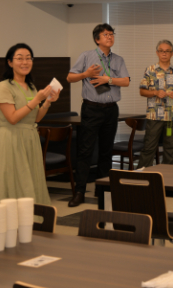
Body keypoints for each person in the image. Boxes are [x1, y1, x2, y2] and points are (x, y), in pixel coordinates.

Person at [67, 23, 130, 207]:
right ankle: (79, 192)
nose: (110, 37)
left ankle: (102, 190)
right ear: (97, 39)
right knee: (85, 151)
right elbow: (70, 77)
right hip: (91, 108)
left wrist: (108, 79)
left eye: (111, 34)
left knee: (106, 151)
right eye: (106, 35)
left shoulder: (118, 59)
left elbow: (126, 81)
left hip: (111, 109)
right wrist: (86, 73)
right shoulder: (86, 56)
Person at [0, 43, 59, 204]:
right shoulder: (4, 86)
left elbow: (36, 118)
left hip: (30, 138)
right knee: (16, 181)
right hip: (11, 138)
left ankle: (36, 214)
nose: (25, 62)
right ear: (10, 62)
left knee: (33, 179)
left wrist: (48, 101)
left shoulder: (31, 87)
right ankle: (15, 216)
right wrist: (36, 100)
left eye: (28, 58)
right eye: (20, 58)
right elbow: (13, 118)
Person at [137, 40, 173, 168]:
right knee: (149, 147)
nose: (164, 53)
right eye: (161, 51)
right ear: (157, 53)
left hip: (171, 118)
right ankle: (141, 175)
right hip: (154, 117)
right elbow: (142, 91)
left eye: (167, 51)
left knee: (170, 149)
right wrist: (155, 92)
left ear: (172, 53)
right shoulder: (150, 70)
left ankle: (166, 177)